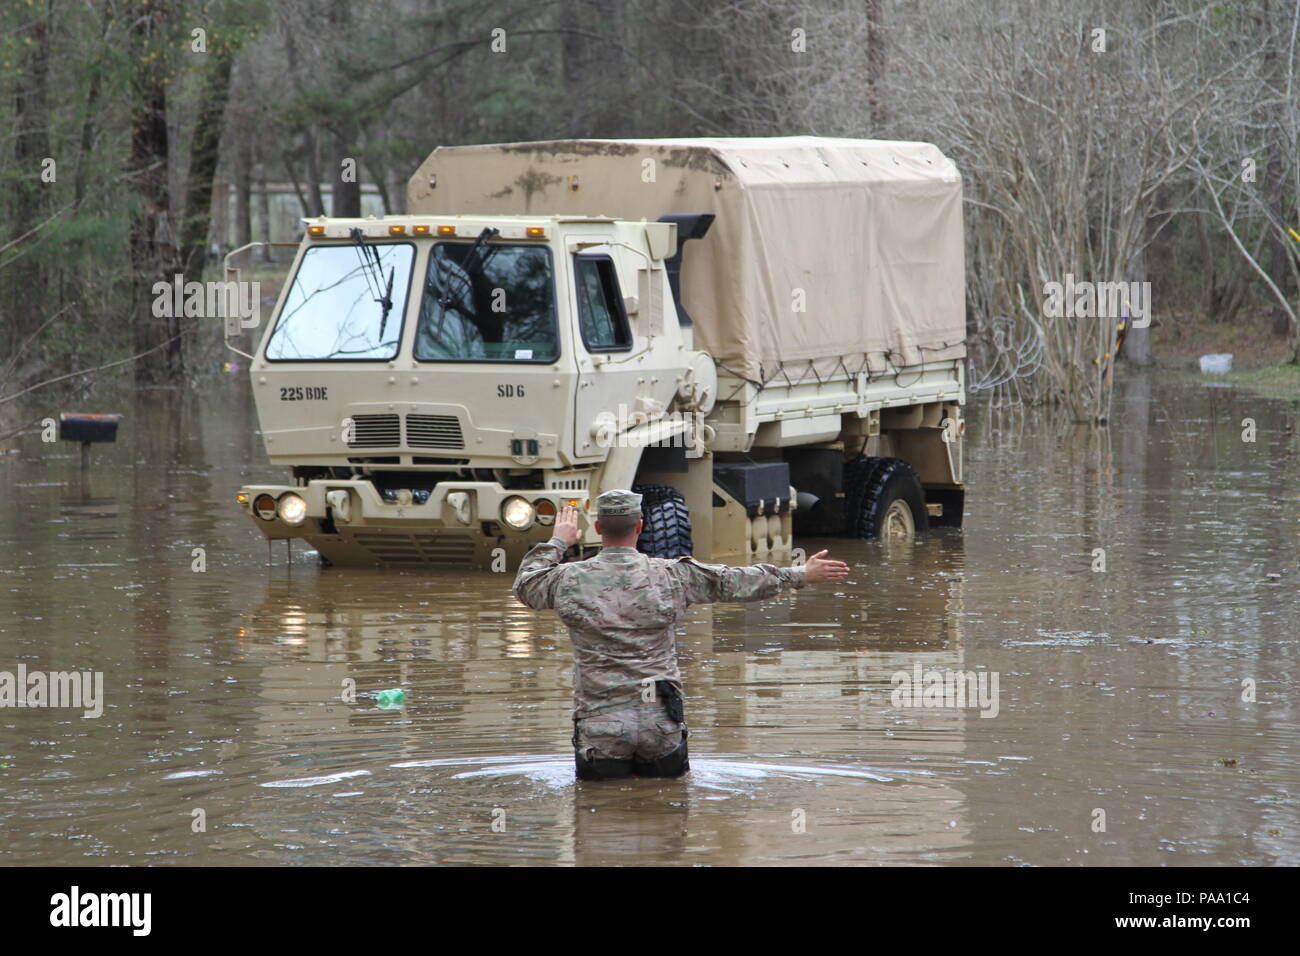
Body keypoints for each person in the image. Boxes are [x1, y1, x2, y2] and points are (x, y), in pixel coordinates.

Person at [512, 489, 851, 781]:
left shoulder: (567, 580)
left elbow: (526, 586)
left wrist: (559, 540)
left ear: (598, 527)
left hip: (601, 725)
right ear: (640, 526)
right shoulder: (672, 575)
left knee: (597, 820)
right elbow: (736, 581)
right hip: (660, 722)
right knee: (669, 820)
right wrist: (800, 574)